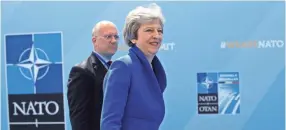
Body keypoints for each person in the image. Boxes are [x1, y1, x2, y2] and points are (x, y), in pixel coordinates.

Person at [101, 3, 167, 130]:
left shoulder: (156, 72)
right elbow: (110, 123)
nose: (157, 35)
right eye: (149, 30)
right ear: (133, 38)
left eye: (159, 31)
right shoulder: (123, 67)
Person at [67, 20, 119, 130]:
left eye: (116, 37)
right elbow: (79, 120)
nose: (114, 41)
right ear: (94, 41)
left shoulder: (117, 69)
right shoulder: (81, 71)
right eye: (108, 37)